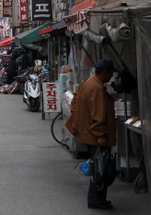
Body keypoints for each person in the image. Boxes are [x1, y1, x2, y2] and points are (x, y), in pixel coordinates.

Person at [66, 59, 117, 210]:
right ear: (105, 73)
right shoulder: (97, 88)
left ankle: (98, 199)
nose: (111, 76)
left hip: (88, 132)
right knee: (100, 168)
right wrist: (100, 134)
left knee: (97, 166)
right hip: (95, 136)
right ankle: (96, 200)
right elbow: (99, 115)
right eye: (110, 74)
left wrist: (80, 114)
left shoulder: (87, 82)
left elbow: (74, 100)